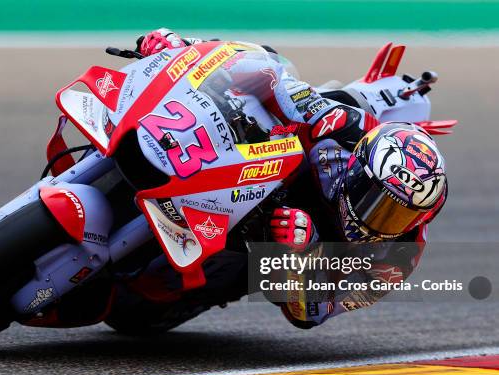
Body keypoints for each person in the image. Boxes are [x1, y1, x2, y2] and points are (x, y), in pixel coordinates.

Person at [133, 28, 448, 328]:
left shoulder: (400, 257)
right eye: (378, 202)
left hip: (269, 250)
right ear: (357, 168)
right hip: (255, 174)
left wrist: (302, 260)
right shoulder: (340, 126)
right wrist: (186, 49)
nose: (384, 221)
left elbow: (314, 315)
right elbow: (273, 74)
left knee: (143, 308)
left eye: (401, 217)